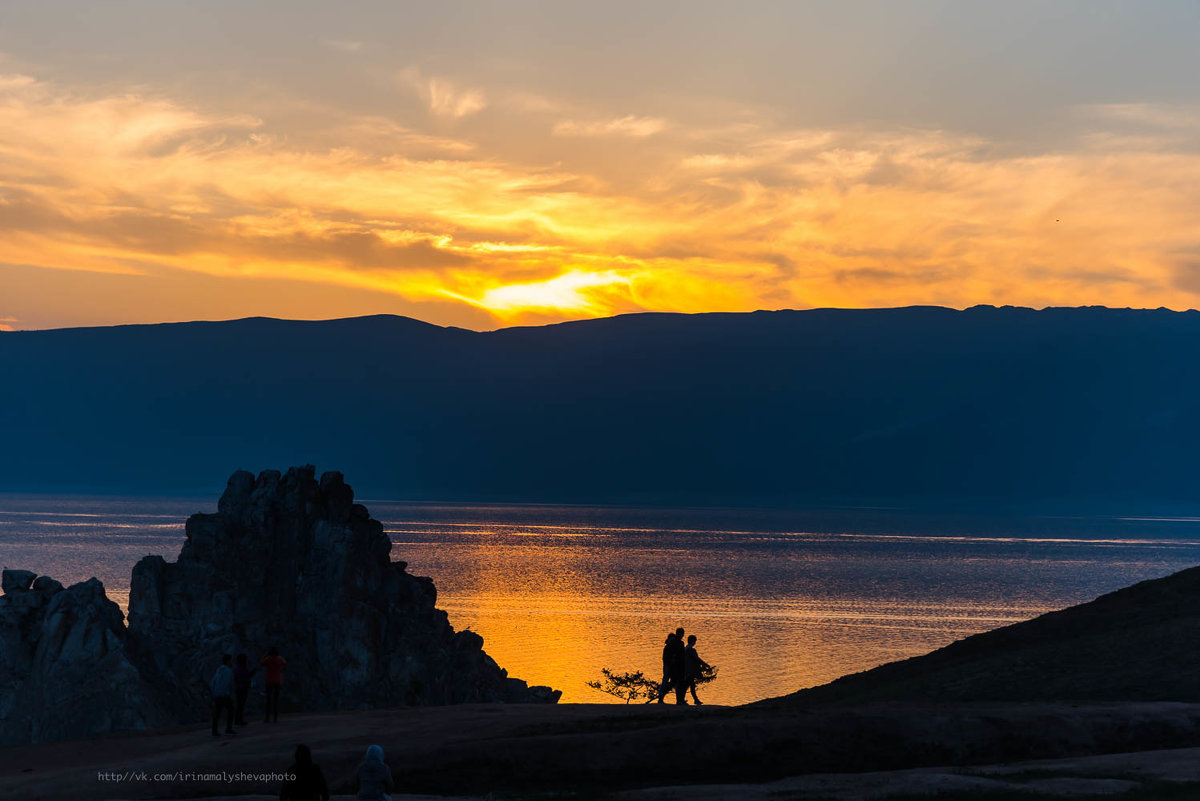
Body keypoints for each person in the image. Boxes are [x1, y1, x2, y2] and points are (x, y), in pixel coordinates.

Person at [656, 627, 687, 704]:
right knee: (673, 682)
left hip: (672, 665)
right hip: (674, 666)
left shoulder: (671, 643)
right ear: (680, 634)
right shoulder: (678, 643)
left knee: (673, 682)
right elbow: (680, 656)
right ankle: (664, 696)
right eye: (682, 634)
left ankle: (677, 700)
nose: (682, 635)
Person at [210, 653, 235, 736]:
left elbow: (213, 681)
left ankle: (214, 730)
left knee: (217, 712)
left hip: (217, 693)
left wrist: (214, 692)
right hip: (223, 694)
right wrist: (225, 693)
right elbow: (225, 683)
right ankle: (228, 728)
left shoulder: (219, 669)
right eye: (231, 660)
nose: (232, 662)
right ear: (228, 661)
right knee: (230, 710)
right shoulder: (227, 671)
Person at [261, 646, 287, 723]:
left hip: (269, 681)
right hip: (277, 681)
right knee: (276, 700)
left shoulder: (268, 659)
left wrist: (265, 655)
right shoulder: (279, 659)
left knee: (268, 700)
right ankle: (275, 718)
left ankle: (267, 718)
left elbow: (261, 662)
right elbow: (285, 663)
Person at [683, 634, 710, 705]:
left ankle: (691, 699)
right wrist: (705, 664)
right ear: (693, 641)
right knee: (690, 685)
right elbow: (697, 659)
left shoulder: (685, 649)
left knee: (689, 685)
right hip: (690, 671)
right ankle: (694, 700)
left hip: (686, 670)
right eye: (695, 641)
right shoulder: (691, 650)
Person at [234, 653, 257, 726]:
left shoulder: (239, 668)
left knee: (240, 705)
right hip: (242, 688)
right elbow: (246, 677)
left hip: (239, 688)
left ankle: (238, 720)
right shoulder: (242, 668)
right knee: (241, 705)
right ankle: (239, 720)